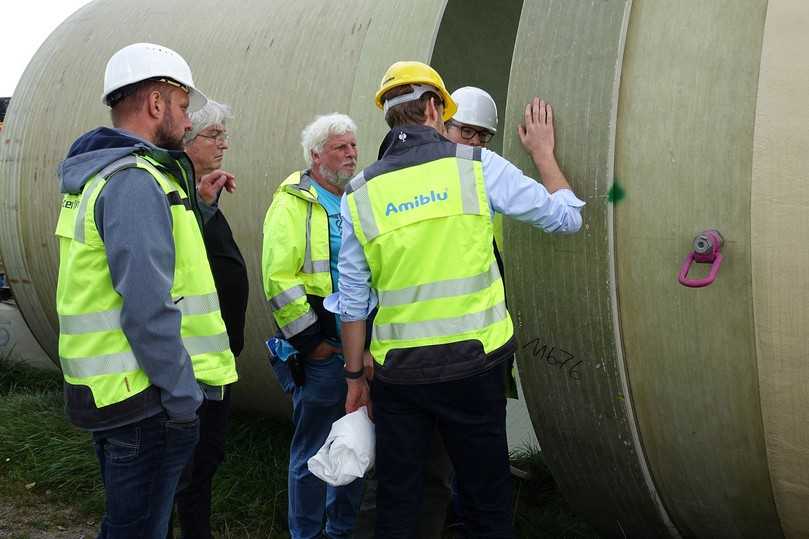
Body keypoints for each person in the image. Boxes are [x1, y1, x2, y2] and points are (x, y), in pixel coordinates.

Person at [338, 61, 585, 538]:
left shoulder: (360, 192)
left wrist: (354, 377)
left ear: (390, 117)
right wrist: (544, 154)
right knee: (487, 498)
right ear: (434, 108)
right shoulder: (475, 165)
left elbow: (351, 302)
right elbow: (565, 218)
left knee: (397, 499)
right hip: (475, 368)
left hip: (400, 375)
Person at [54, 42, 238, 538]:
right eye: (181, 107)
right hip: (147, 401)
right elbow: (147, 307)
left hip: (119, 394)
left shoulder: (100, 176)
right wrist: (182, 397)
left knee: (128, 525)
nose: (185, 120)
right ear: (156, 103)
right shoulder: (134, 181)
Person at [262, 113, 364, 539]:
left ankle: (340, 531)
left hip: (360, 353)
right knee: (311, 452)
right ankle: (306, 533)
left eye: (354, 146)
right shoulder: (293, 202)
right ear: (315, 154)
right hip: (323, 354)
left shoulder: (359, 198)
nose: (352, 154)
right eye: (342, 147)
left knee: (356, 447)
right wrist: (310, 341)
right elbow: (278, 278)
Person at [167, 99, 248, 539]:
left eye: (223, 135)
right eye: (214, 136)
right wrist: (201, 206)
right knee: (182, 465)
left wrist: (207, 202)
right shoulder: (170, 191)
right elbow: (178, 258)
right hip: (187, 361)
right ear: (187, 140)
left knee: (206, 458)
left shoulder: (198, 193)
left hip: (215, 356)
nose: (224, 144)